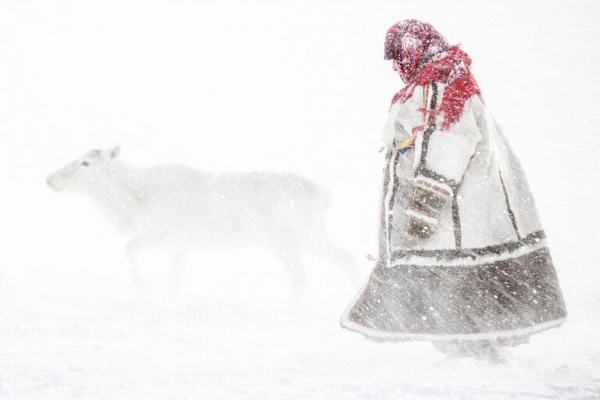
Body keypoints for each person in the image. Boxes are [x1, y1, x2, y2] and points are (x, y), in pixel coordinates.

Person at [340, 19, 567, 362]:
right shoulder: (449, 78)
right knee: (463, 294)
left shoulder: (439, 85)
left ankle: (473, 363)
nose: (396, 66)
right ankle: (474, 358)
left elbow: (447, 143)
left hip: (451, 218)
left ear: (414, 51)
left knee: (450, 288)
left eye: (398, 55)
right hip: (470, 212)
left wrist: (425, 206)